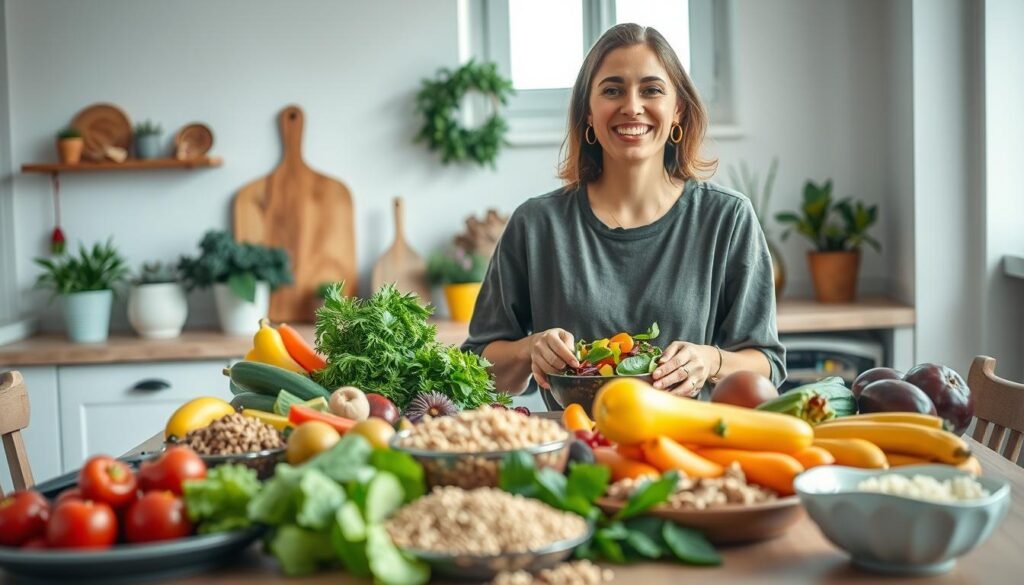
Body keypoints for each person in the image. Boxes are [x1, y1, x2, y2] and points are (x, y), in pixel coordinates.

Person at [462, 23, 785, 407]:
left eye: (651, 90)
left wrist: (710, 360)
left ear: (677, 109)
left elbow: (766, 363)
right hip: (576, 448)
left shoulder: (727, 218)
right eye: (613, 90)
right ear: (588, 114)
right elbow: (474, 366)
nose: (632, 106)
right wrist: (528, 349)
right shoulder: (536, 224)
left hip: (683, 447)